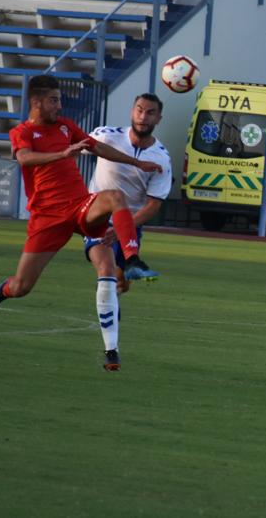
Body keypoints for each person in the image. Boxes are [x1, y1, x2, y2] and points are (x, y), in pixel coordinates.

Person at [0, 75, 162, 372]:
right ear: (36, 102)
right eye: (54, 100)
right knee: (23, 286)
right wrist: (62, 154)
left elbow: (96, 147)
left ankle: (131, 261)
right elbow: (24, 159)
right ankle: (5, 290)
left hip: (80, 206)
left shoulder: (65, 126)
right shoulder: (22, 132)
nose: (59, 105)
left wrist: (136, 163)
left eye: (59, 99)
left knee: (115, 196)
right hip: (47, 218)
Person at [81, 93, 173, 367]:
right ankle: (112, 349)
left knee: (120, 285)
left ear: (158, 118)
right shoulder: (106, 135)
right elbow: (75, 148)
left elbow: (153, 205)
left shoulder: (162, 158)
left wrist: (124, 228)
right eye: (139, 110)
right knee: (106, 273)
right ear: (132, 111)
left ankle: (110, 300)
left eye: (150, 113)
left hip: (129, 225)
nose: (143, 117)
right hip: (97, 217)